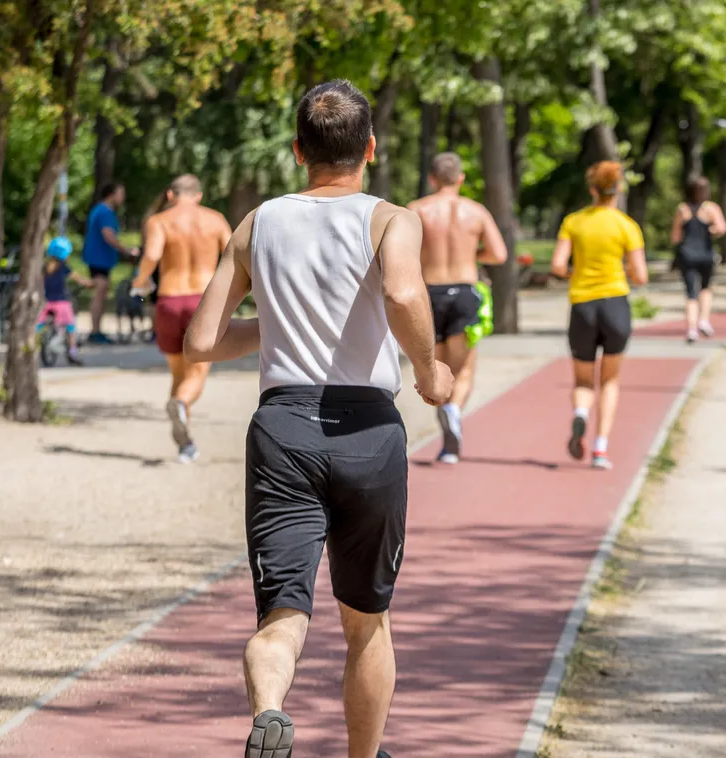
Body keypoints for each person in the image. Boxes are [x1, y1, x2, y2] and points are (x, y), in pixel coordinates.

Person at [182, 79, 452, 758]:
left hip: (283, 428)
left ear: (298, 149)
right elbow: (401, 292)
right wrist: (429, 371)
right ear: (371, 147)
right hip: (367, 430)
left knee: (282, 615)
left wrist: (278, 327)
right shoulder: (391, 220)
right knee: (367, 622)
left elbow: (202, 341)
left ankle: (270, 709)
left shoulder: (257, 223)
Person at [407, 151, 508, 464]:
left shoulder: (416, 210)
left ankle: (447, 437)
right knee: (464, 369)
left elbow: (402, 252)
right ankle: (453, 412)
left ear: (432, 179)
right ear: (461, 179)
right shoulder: (476, 211)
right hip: (464, 291)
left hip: (429, 294)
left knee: (437, 368)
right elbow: (499, 254)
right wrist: (472, 256)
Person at [550, 161, 649, 471]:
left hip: (583, 306)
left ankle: (581, 413)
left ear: (592, 189)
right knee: (610, 380)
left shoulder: (574, 222)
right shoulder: (626, 225)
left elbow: (557, 265)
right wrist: (623, 270)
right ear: (618, 190)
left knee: (583, 380)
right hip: (615, 304)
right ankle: (600, 448)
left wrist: (575, 274)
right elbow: (641, 275)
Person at [130, 175, 231, 463]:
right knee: (196, 373)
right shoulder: (215, 219)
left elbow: (151, 255)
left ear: (170, 195)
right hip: (204, 301)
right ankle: (181, 404)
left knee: (178, 373)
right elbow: (235, 255)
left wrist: (140, 281)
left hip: (169, 301)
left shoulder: (160, 221)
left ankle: (185, 444)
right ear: (198, 196)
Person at [669, 176, 726, 342]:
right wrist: (710, 231)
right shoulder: (711, 208)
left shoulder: (682, 209)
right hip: (705, 254)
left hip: (687, 254)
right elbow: (722, 228)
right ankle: (704, 320)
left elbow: (675, 237)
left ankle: (692, 329)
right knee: (705, 288)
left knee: (690, 293)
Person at [82, 182, 139, 345]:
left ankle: (97, 331)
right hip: (98, 259)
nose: (123, 197)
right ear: (111, 195)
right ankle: (95, 332)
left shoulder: (100, 210)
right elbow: (108, 236)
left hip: (100, 259)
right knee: (100, 292)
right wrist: (126, 251)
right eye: (120, 193)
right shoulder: (105, 212)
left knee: (101, 293)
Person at [40, 235, 91, 365]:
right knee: (70, 327)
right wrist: (89, 283)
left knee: (39, 325)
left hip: (46, 302)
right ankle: (72, 352)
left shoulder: (44, 268)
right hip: (61, 303)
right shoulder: (64, 267)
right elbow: (79, 279)